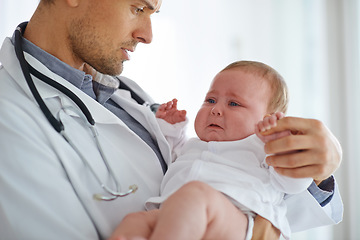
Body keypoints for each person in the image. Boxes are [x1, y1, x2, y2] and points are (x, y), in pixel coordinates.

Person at [0, 0, 342, 239]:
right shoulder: (11, 118)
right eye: (137, 8)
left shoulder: (125, 93)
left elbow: (260, 194)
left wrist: (317, 169)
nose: (148, 35)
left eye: (154, 14)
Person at [109, 61, 319, 240]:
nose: (216, 109)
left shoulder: (263, 148)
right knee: (134, 221)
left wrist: (283, 148)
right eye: (210, 100)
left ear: (268, 118)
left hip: (241, 221)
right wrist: (169, 128)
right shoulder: (193, 146)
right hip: (176, 212)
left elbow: (295, 184)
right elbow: (168, 156)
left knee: (194, 195)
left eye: (234, 104)